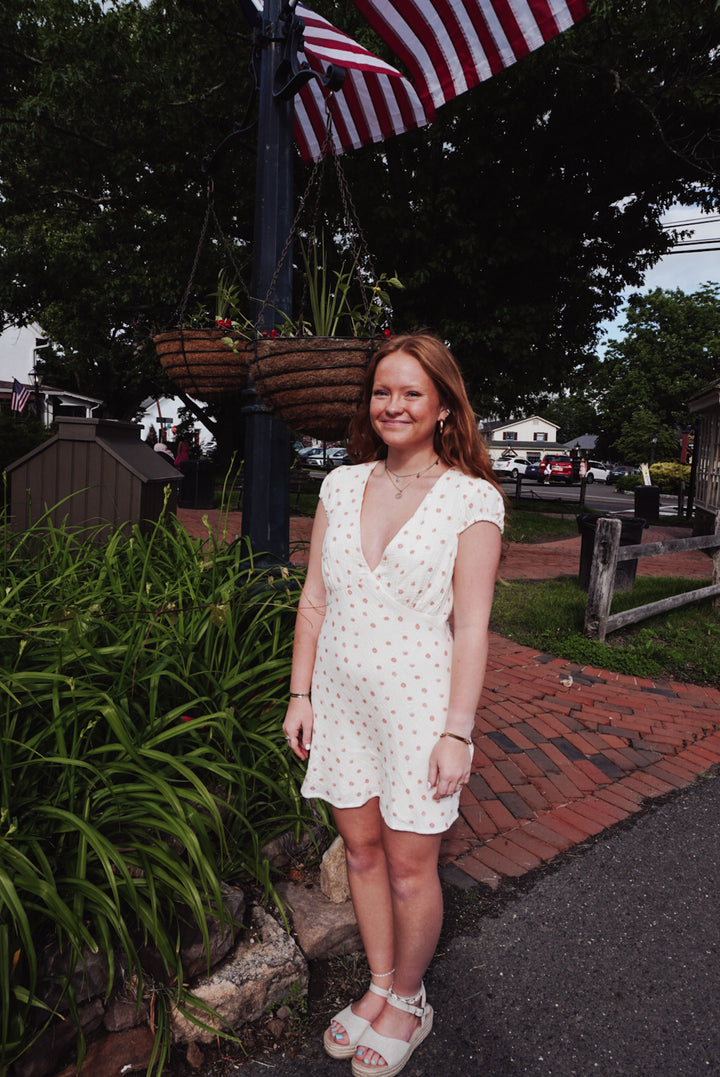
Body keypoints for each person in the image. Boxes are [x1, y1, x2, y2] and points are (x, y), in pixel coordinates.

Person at [283, 332, 505, 1076]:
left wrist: (457, 732)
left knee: (413, 869)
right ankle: (379, 985)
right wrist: (300, 692)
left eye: (412, 391)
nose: (394, 405)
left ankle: (410, 1000)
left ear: (443, 405)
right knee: (362, 852)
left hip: (419, 711)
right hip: (341, 705)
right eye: (383, 391)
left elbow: (472, 626)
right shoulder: (340, 485)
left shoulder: (473, 499)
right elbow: (313, 599)